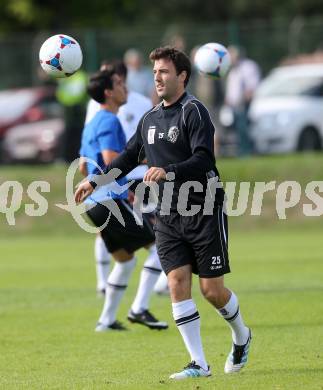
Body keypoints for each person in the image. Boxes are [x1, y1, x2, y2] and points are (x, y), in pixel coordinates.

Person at [75, 47, 251, 379]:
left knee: (212, 291)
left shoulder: (195, 111)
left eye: (164, 71)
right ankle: (199, 363)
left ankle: (241, 334)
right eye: (155, 71)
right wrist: (94, 180)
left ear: (182, 76)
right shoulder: (150, 118)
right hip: (168, 213)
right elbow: (126, 158)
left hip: (203, 209)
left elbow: (204, 160)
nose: (157, 76)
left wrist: (168, 170)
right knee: (176, 283)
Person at [79, 68, 168, 331]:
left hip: (95, 203)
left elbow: (86, 167)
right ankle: (139, 308)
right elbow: (110, 161)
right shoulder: (108, 121)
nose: (125, 87)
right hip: (108, 202)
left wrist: (120, 188)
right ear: (108, 92)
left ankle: (105, 320)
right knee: (162, 244)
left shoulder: (92, 123)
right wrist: (152, 160)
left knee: (126, 261)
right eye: (119, 83)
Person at [225, 45, 261, 156]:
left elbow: (253, 85)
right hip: (234, 106)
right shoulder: (233, 71)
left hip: (245, 104)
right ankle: (242, 151)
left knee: (243, 128)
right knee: (238, 130)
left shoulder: (248, 66)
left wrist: (245, 98)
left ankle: (248, 151)